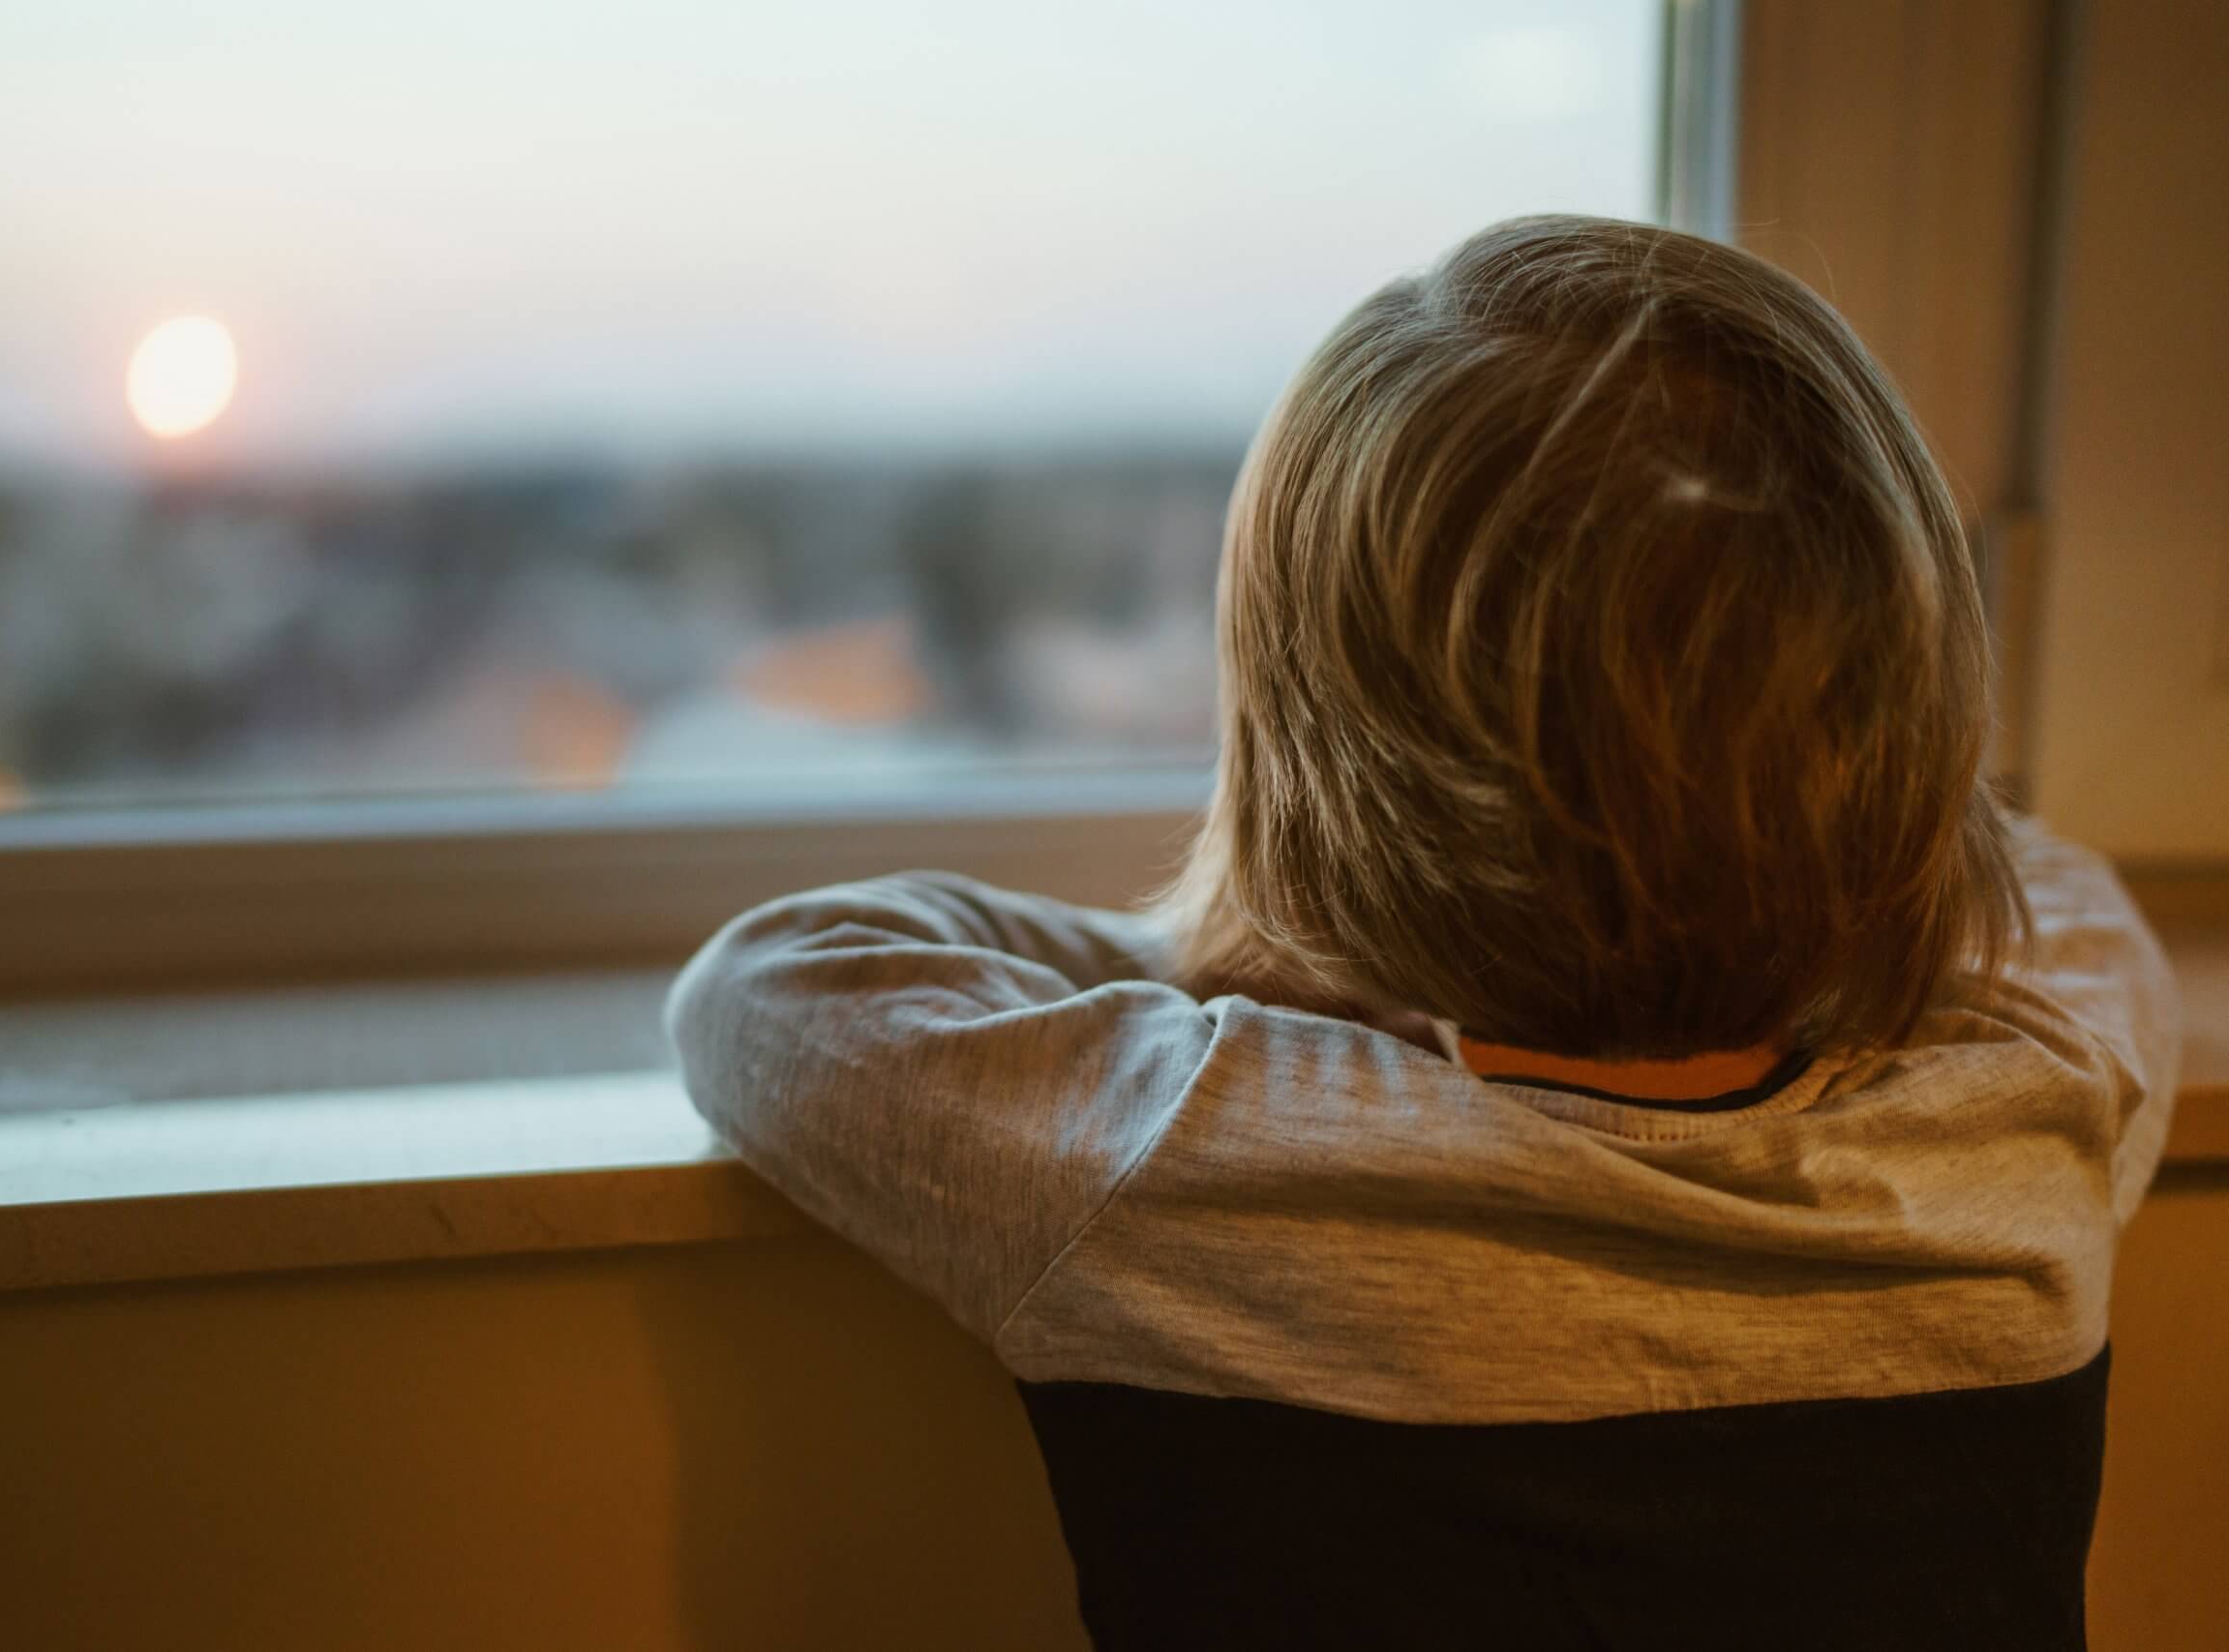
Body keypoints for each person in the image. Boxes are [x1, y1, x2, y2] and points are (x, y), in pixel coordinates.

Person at [664, 216, 2182, 1650]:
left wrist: (1246, 969)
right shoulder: (2035, 1106)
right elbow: (2044, 890)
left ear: (1320, 780)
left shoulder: (1187, 1148)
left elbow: (775, 983)